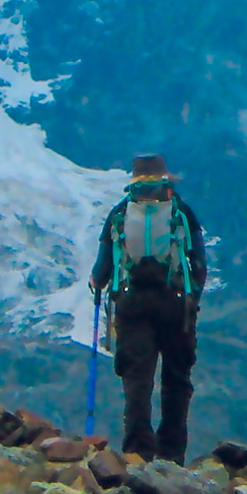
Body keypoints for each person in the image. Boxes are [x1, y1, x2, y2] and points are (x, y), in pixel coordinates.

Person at [90, 154, 207, 464]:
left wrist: (98, 284)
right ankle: (171, 454)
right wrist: (192, 296)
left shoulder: (119, 213)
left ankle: (137, 451)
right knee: (176, 378)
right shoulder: (181, 212)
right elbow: (199, 263)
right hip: (175, 303)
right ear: (165, 178)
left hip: (132, 304)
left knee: (137, 379)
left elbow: (100, 270)